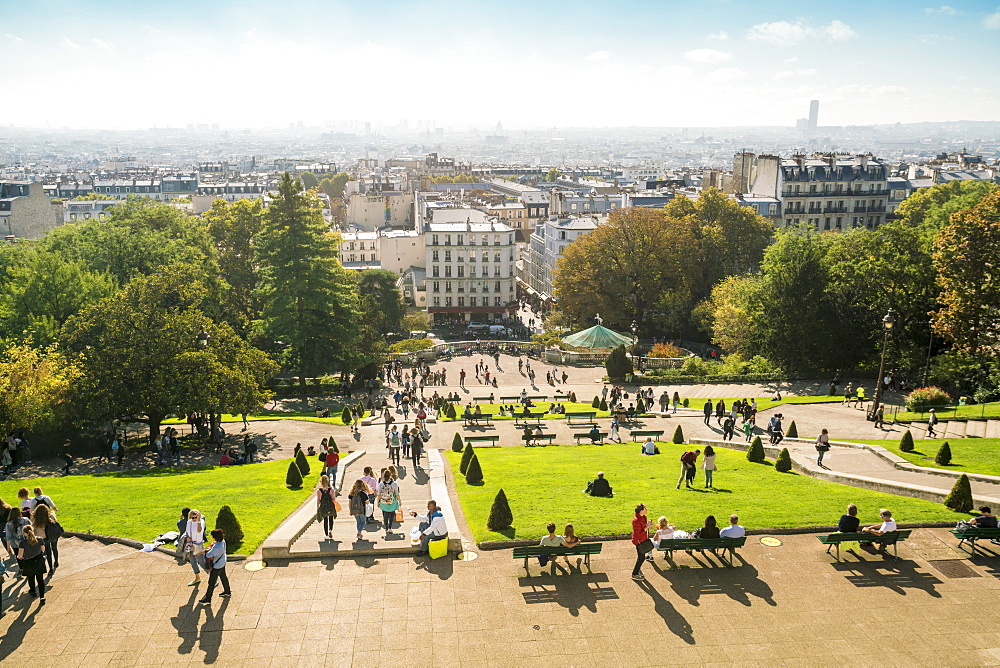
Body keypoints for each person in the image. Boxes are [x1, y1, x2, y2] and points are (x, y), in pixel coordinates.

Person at [198, 529, 231, 604]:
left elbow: (208, 555)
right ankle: (227, 591)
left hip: (217, 565)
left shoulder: (216, 547)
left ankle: (208, 598)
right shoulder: (222, 541)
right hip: (222, 562)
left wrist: (207, 550)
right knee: (223, 576)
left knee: (211, 582)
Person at [18, 526, 46, 604]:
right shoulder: (39, 539)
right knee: (40, 580)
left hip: (28, 562)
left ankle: (33, 592)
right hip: (39, 561)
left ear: (24, 533)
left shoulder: (22, 543)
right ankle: (42, 597)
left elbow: (20, 556)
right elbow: (43, 550)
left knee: (31, 578)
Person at [31, 503, 60, 572]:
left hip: (43, 537)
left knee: (48, 552)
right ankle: (56, 561)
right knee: (54, 548)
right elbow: (56, 522)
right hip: (52, 534)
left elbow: (33, 527)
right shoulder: (50, 516)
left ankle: (50, 568)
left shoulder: (36, 518)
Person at [183, 509, 207, 586]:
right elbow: (187, 532)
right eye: (192, 517)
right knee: (193, 562)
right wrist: (187, 538)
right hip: (190, 544)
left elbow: (199, 531)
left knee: (202, 562)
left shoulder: (201, 522)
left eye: (195, 517)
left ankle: (214, 578)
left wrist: (199, 520)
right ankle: (197, 578)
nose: (194, 519)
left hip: (198, 544)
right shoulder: (189, 522)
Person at [631, 504, 654, 581]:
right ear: (641, 511)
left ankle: (637, 570)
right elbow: (638, 534)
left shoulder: (643, 517)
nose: (646, 510)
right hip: (639, 541)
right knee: (641, 558)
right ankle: (635, 573)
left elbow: (644, 528)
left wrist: (648, 525)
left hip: (643, 539)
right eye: (645, 509)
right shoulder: (636, 521)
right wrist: (646, 527)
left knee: (641, 557)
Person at [376, 470, 401, 537]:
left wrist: (378, 502)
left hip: (383, 501)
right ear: (390, 475)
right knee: (392, 515)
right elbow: (397, 493)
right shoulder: (394, 483)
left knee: (385, 515)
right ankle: (390, 527)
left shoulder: (381, 484)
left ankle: (386, 528)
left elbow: (378, 494)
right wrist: (400, 501)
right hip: (392, 501)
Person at [316, 474, 337, 539]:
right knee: (331, 518)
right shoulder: (331, 490)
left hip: (323, 507)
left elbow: (318, 500)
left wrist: (317, 508)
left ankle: (326, 534)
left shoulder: (319, 491)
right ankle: (330, 530)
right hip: (330, 506)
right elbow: (333, 499)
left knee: (325, 520)